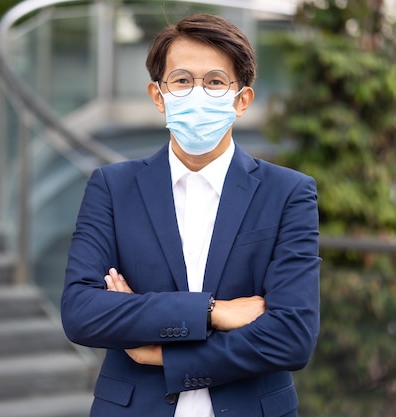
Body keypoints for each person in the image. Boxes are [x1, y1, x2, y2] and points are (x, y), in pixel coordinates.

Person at [61, 13, 320, 417]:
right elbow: (82, 313)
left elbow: (292, 337)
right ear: (157, 94)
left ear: (242, 100)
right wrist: (214, 311)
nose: (197, 93)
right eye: (182, 80)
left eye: (215, 81)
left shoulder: (287, 192)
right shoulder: (113, 188)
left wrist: (162, 354)